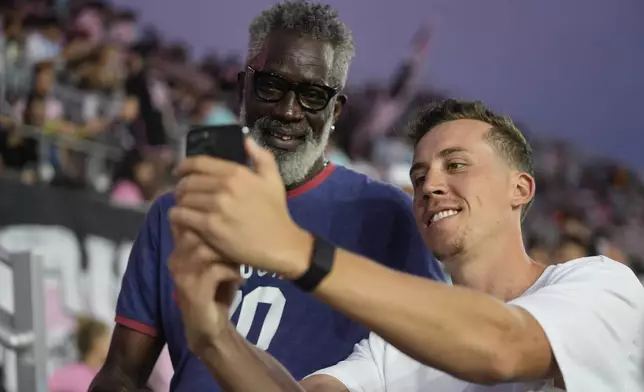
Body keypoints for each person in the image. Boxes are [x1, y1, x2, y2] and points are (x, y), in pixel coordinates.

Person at [168, 99, 644, 392]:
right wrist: (214, 336)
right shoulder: (398, 347)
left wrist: (296, 249)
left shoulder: (602, 285)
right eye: (419, 177)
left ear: (520, 189)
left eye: (455, 164)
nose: (430, 184)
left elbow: (503, 346)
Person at [90, 1, 443, 391]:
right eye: (271, 86)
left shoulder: (388, 216)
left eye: (312, 95)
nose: (288, 111)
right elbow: (121, 373)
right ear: (243, 87)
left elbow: (435, 356)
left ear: (336, 110)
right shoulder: (176, 212)